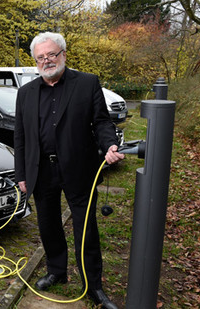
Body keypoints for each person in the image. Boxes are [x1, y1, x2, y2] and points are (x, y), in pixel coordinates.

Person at [13, 32, 124, 309]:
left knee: (85, 229)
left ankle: (93, 286)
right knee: (48, 224)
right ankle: (56, 271)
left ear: (63, 54)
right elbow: (20, 137)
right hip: (41, 171)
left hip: (78, 169)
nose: (47, 60)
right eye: (41, 57)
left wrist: (110, 145)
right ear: (35, 61)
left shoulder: (86, 83)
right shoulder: (26, 93)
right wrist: (21, 174)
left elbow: (101, 122)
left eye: (51, 54)